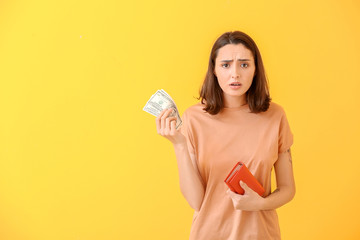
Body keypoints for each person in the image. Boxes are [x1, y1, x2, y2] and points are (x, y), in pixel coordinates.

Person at [155, 31, 295, 240]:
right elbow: (196, 201)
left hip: (260, 234)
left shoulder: (275, 116)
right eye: (226, 64)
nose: (235, 74)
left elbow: (288, 189)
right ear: (214, 70)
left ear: (256, 70)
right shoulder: (194, 118)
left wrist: (260, 203)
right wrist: (179, 145)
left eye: (244, 64)